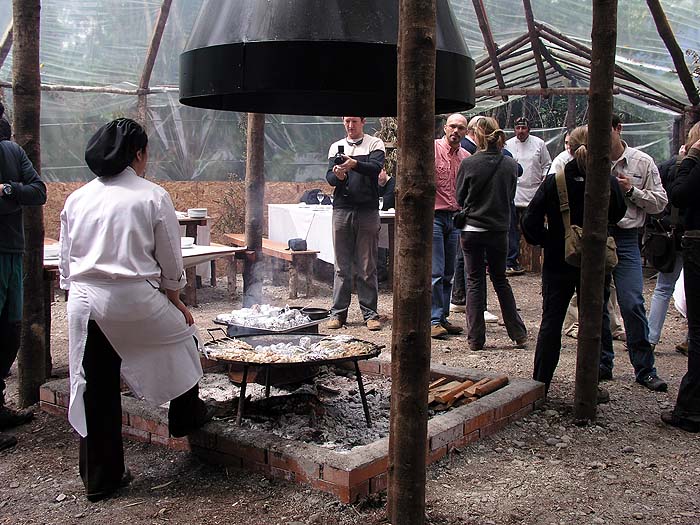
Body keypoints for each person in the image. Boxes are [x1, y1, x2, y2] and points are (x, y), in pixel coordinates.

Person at [59, 118, 212, 501]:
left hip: (84, 301)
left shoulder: (77, 198)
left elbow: (66, 264)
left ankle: (101, 479)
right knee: (184, 336)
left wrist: (74, 295)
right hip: (132, 299)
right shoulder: (151, 195)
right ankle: (185, 416)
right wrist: (175, 299)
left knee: (96, 384)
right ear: (138, 154)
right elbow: (170, 259)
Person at [522, 126, 627, 394]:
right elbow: (619, 212)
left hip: (559, 261)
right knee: (595, 319)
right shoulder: (607, 180)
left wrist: (552, 240)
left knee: (552, 322)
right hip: (595, 260)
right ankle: (591, 384)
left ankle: (540, 383)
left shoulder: (556, 180)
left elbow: (530, 222)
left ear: (570, 146)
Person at [602, 115, 668, 391]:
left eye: (607, 131)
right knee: (597, 303)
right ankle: (602, 363)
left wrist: (632, 191)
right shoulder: (589, 159)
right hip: (599, 237)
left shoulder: (642, 162)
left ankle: (644, 368)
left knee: (632, 302)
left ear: (618, 129)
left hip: (627, 238)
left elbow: (660, 203)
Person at [456, 117, 527, 351]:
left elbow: (460, 198)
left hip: (473, 230)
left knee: (474, 282)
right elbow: (510, 196)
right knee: (500, 280)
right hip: (498, 230)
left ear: (476, 136)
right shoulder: (510, 165)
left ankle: (476, 340)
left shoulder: (469, 163)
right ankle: (518, 334)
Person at [0, 112, 47, 452]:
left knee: (8, 330)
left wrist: (7, 189)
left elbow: (38, 191)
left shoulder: (12, 152)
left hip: (11, 250)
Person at [325, 116, 385, 331]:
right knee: (341, 265)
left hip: (367, 210)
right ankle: (338, 314)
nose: (350, 126)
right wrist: (339, 174)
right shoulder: (335, 147)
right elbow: (330, 179)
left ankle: (370, 314)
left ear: (363, 122)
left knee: (367, 265)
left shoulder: (374, 143)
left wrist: (354, 164)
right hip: (342, 209)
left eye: (354, 122)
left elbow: (375, 168)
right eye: (347, 121)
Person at [647, 125, 700, 351]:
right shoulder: (688, 166)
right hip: (687, 233)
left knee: (663, 287)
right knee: (690, 289)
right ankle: (691, 338)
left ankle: (651, 337)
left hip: (672, 232)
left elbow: (666, 198)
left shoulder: (672, 165)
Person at [662, 133, 700, 432]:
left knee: (698, 329)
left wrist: (689, 160)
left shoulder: (694, 165)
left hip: (697, 242)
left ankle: (689, 408)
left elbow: (678, 193)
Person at [430, 114, 470, 339]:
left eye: (461, 128)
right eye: (453, 126)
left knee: (448, 273)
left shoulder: (466, 157)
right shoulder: (433, 149)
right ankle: (433, 319)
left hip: (455, 218)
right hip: (435, 216)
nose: (456, 131)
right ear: (445, 128)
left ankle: (442, 317)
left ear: (466, 132)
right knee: (435, 271)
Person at [505, 117, 552, 276]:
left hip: (533, 192)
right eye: (517, 128)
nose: (520, 131)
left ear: (529, 129)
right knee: (512, 229)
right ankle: (511, 260)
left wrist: (543, 182)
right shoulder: (508, 144)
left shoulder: (539, 143)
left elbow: (547, 165)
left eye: (523, 128)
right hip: (514, 192)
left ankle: (537, 263)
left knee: (532, 225)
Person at [377, 168, 395, 282]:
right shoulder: (376, 184)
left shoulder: (392, 184)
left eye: (379, 173)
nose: (378, 177)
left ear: (384, 171)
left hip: (391, 221)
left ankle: (382, 271)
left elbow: (386, 201)